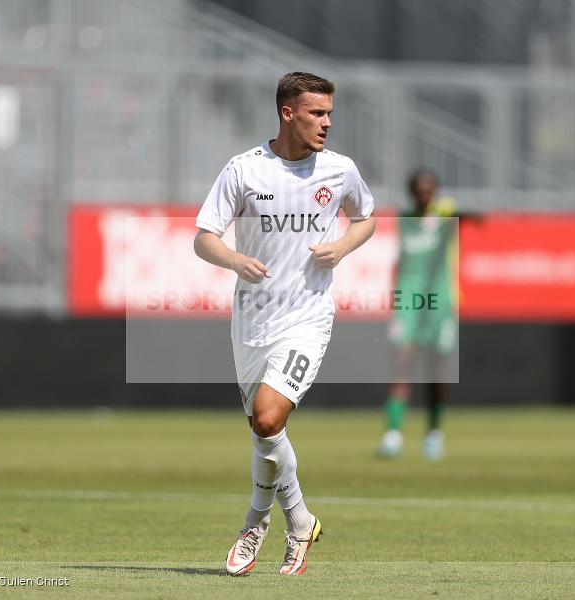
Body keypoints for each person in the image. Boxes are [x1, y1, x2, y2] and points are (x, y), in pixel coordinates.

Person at [194, 72, 376, 575]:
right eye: (317, 113)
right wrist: (233, 260)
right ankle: (300, 520)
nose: (327, 123)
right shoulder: (244, 170)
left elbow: (367, 217)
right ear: (287, 113)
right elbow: (204, 236)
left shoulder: (338, 171)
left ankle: (255, 521)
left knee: (270, 418)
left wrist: (343, 245)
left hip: (307, 318)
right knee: (262, 431)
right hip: (251, 323)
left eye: (330, 113)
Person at [377, 169, 476, 461]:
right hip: (408, 302)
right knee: (402, 366)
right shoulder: (404, 220)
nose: (424, 194)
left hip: (440, 303)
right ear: (412, 193)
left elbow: (465, 215)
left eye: (429, 190)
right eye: (419, 190)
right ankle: (393, 434)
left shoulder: (445, 218)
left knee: (436, 373)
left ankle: (434, 433)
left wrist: (461, 215)